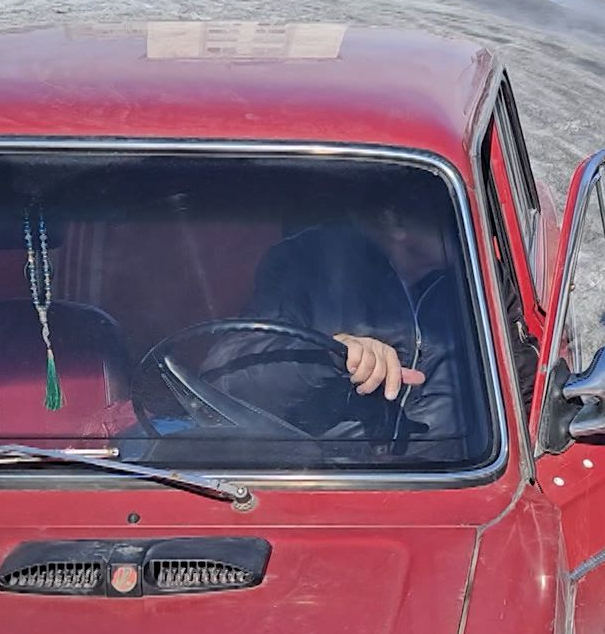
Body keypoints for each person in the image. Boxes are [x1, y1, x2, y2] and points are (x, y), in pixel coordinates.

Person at [200, 175, 487, 462]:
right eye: (450, 210)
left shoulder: (481, 272)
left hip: (463, 482)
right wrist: (329, 354)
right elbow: (225, 381)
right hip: (337, 479)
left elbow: (524, 384)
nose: (471, 223)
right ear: (395, 221)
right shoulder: (304, 264)